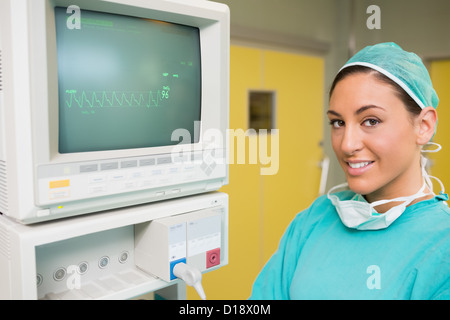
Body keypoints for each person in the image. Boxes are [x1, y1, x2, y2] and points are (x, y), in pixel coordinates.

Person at [249, 42, 450, 300]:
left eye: (371, 121)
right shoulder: (315, 219)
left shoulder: (441, 245)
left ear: (423, 125)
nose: (347, 144)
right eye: (338, 122)